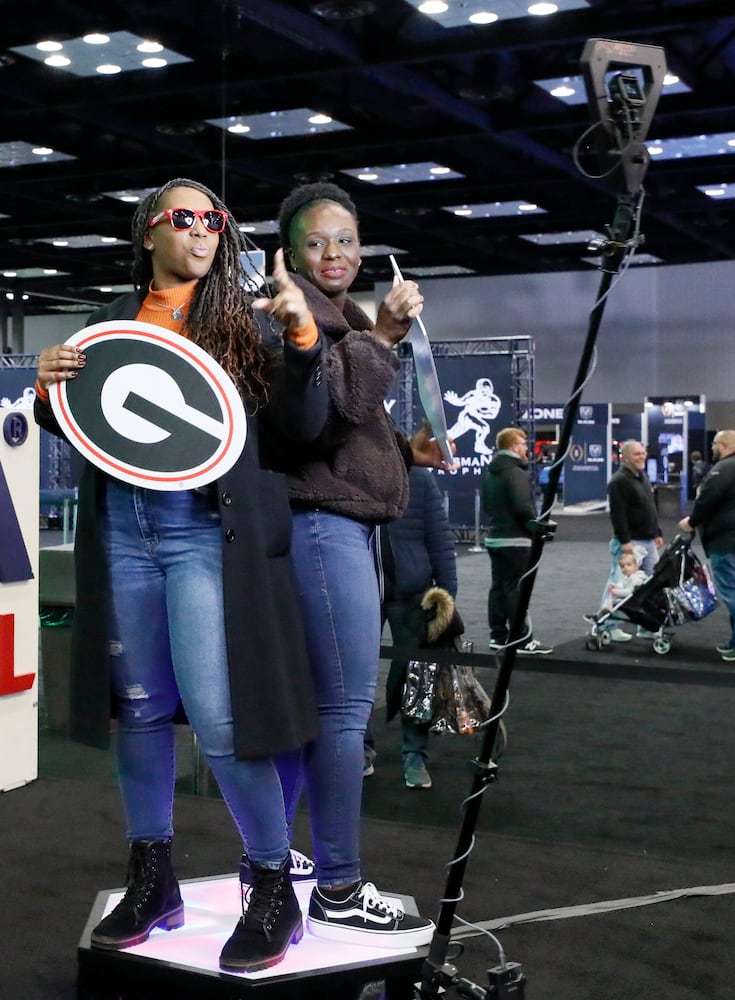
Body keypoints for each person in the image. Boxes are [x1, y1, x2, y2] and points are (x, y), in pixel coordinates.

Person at [33, 178, 329, 973]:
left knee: (221, 719)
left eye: (214, 220)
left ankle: (273, 884)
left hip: (199, 532)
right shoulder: (112, 330)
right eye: (184, 218)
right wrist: (47, 382)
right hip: (122, 530)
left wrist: (302, 339)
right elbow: (82, 423)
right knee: (140, 711)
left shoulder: (245, 323)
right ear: (147, 235)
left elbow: (303, 426)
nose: (203, 231)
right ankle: (151, 874)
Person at [263, 181, 447, 949]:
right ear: (290, 253)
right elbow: (325, 416)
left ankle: (278, 865)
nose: (334, 253)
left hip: (336, 528)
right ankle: (336, 884)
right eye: (316, 242)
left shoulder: (337, 317)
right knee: (342, 712)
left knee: (321, 712)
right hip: (319, 525)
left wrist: (376, 332)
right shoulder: (291, 316)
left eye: (345, 240)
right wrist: (387, 336)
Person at [379, 466, 459, 790]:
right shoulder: (349, 469)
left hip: (412, 595)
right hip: (359, 588)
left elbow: (439, 537)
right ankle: (359, 750)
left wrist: (447, 595)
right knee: (352, 677)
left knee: (420, 678)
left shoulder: (420, 479)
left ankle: (415, 754)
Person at [481, 426, 553, 655]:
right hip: (516, 541)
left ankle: (498, 637)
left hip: (495, 539)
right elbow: (524, 507)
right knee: (515, 590)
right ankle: (523, 639)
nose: (526, 448)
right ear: (513, 446)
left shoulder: (490, 471)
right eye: (523, 444)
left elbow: (487, 506)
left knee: (499, 589)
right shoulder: (516, 472)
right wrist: (536, 528)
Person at [679, 430, 735, 662]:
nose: (712, 448)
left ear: (726, 445)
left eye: (715, 444)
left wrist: (691, 522)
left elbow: (707, 499)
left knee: (733, 592)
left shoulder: (725, 469)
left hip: (727, 542)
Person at [602, 440, 663, 641]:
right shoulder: (618, 481)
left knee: (650, 585)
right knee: (619, 584)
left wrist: (657, 532)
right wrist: (625, 542)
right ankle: (607, 626)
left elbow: (649, 508)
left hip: (648, 541)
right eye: (637, 454)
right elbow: (618, 516)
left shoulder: (642, 477)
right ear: (625, 457)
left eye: (643, 453)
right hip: (630, 543)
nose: (641, 457)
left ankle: (645, 626)